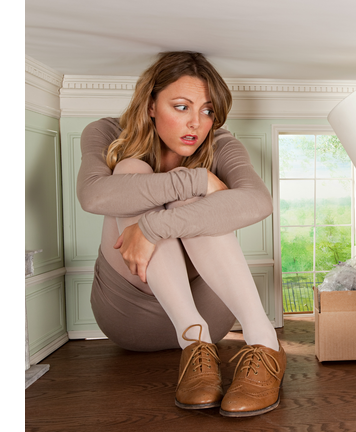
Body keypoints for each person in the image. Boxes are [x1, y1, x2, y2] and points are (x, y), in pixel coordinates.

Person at [76, 51, 285, 417]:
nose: (196, 124)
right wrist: (198, 177)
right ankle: (192, 340)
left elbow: (259, 202)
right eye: (181, 106)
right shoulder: (106, 132)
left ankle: (263, 343)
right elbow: (93, 195)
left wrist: (154, 227)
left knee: (193, 202)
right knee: (130, 169)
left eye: (207, 111)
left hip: (213, 315)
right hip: (126, 315)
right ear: (151, 104)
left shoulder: (221, 144)